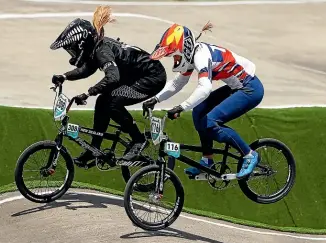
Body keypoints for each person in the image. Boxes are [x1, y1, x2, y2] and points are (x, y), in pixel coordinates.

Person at [142, 22, 264, 179]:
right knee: (198, 112)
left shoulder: (200, 56)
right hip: (237, 87)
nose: (175, 59)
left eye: (176, 55)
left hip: (250, 89)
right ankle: (208, 160)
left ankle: (249, 154)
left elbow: (205, 88)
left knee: (211, 121)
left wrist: (181, 107)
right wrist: (155, 99)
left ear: (185, 48)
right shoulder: (193, 54)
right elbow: (177, 83)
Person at [50, 6, 167, 166]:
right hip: (133, 76)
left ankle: (139, 140)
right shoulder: (95, 47)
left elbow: (113, 78)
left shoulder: (102, 51)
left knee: (113, 103)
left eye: (73, 48)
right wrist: (64, 76)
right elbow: (86, 69)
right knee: (102, 101)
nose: (72, 53)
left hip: (151, 78)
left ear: (82, 44)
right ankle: (94, 149)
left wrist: (88, 93)